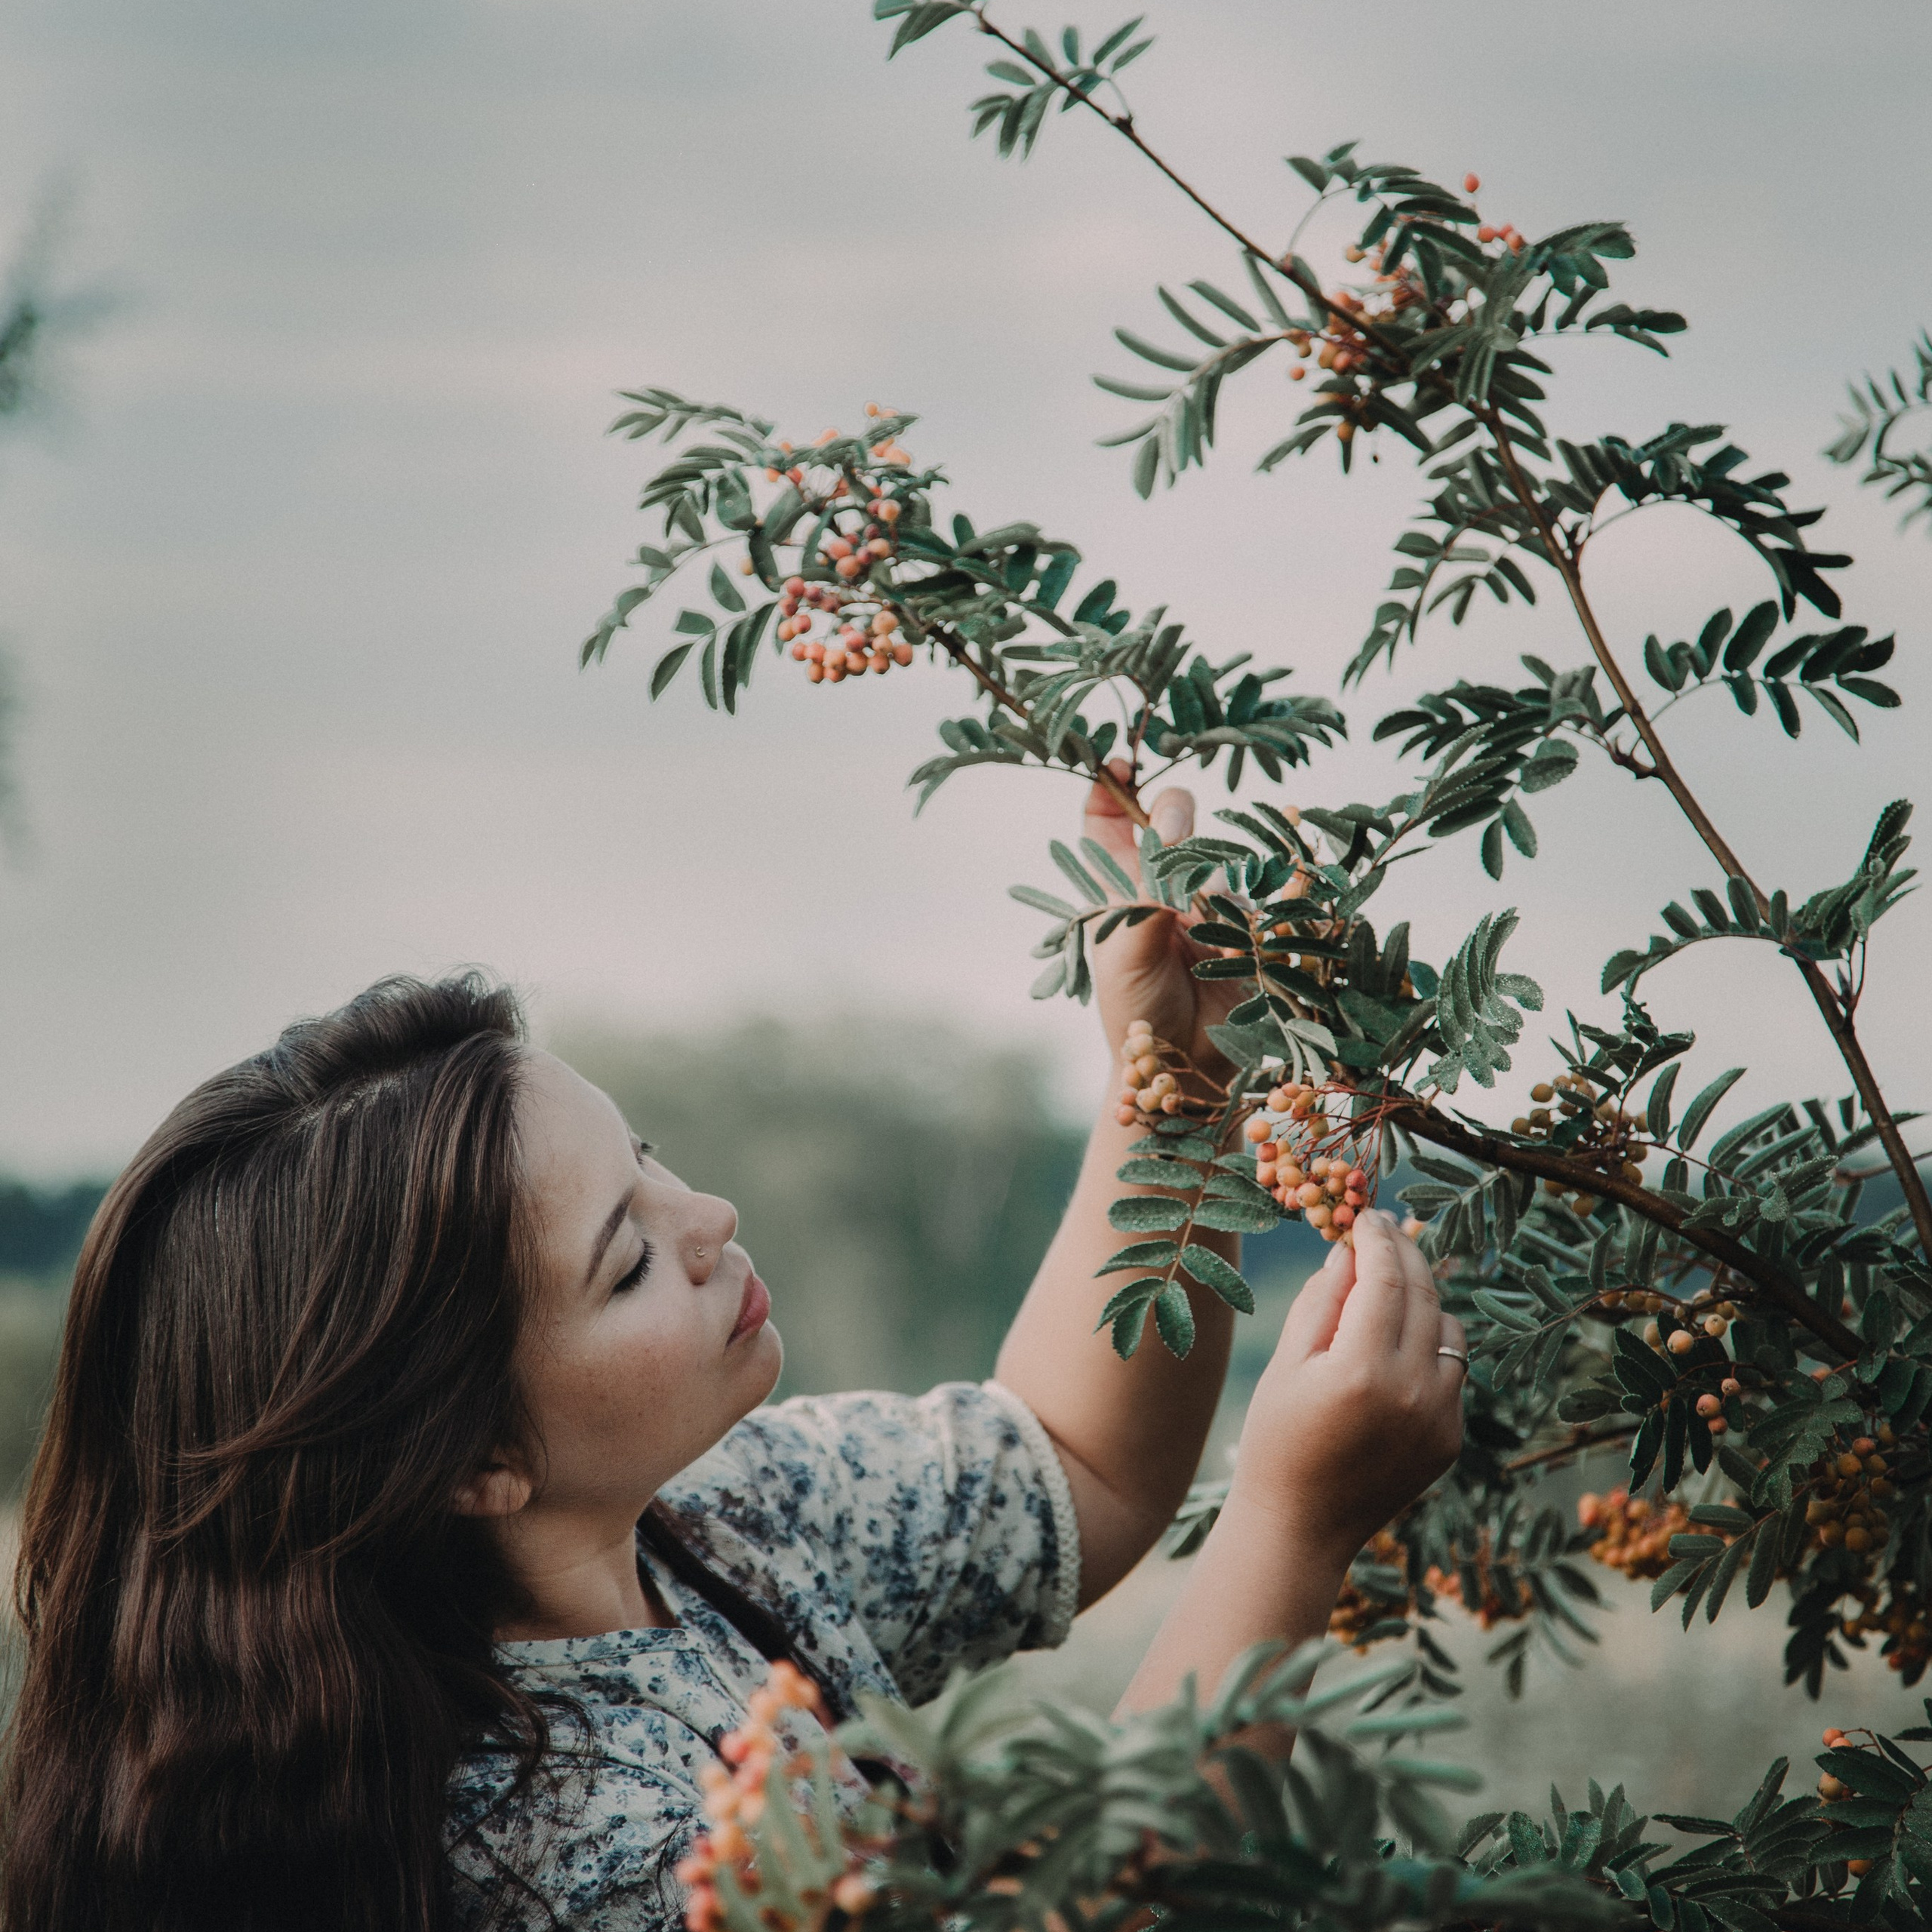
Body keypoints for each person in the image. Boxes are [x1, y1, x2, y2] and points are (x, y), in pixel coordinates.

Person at [0, 781, 1466, 1932]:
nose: (709, 1216)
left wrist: (1171, 1073)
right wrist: (1290, 1520)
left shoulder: (712, 1519)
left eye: (646, 1160)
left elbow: (1073, 1465)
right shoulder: (556, 1848)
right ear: (470, 1458)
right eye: (625, 1256)